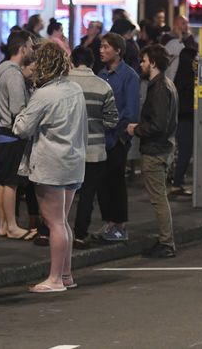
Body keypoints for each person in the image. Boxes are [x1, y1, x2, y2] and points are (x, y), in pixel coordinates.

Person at [13, 42, 87, 292]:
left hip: (50, 163)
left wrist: (21, 112)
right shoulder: (75, 89)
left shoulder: (43, 94)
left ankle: (55, 278)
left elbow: (21, 128)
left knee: (54, 222)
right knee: (63, 221)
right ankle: (65, 274)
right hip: (73, 160)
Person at [126, 44, 178, 258]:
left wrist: (135, 129)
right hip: (163, 148)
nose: (141, 64)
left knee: (158, 199)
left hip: (155, 150)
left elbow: (158, 125)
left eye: (144, 60)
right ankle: (165, 240)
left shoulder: (159, 89)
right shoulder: (166, 85)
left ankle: (166, 243)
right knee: (160, 197)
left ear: (153, 63)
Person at [68, 47, 119, 249]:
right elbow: (113, 120)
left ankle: (53, 232)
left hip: (67, 149)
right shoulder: (102, 86)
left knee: (60, 194)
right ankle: (80, 234)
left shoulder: (62, 83)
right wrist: (95, 125)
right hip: (94, 150)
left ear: (72, 61)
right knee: (88, 195)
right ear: (92, 63)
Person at [0, 30, 36, 241]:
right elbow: (19, 109)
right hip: (12, 135)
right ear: (22, 48)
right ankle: (13, 226)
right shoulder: (14, 74)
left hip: (0, 134)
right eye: (31, 46)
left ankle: (3, 225)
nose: (32, 51)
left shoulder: (2, 71)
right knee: (11, 184)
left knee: (2, 182)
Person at [96, 33, 140, 242]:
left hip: (116, 138)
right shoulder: (100, 75)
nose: (101, 50)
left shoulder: (129, 76)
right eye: (101, 47)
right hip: (100, 139)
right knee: (102, 183)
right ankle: (109, 222)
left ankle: (120, 225)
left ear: (118, 50)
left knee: (116, 183)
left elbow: (130, 111)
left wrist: (120, 137)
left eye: (106, 47)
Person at [169, 48, 198, 196]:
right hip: (186, 119)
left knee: (181, 151)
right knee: (186, 152)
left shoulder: (179, 76)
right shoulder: (189, 76)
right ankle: (177, 183)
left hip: (178, 119)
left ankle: (177, 180)